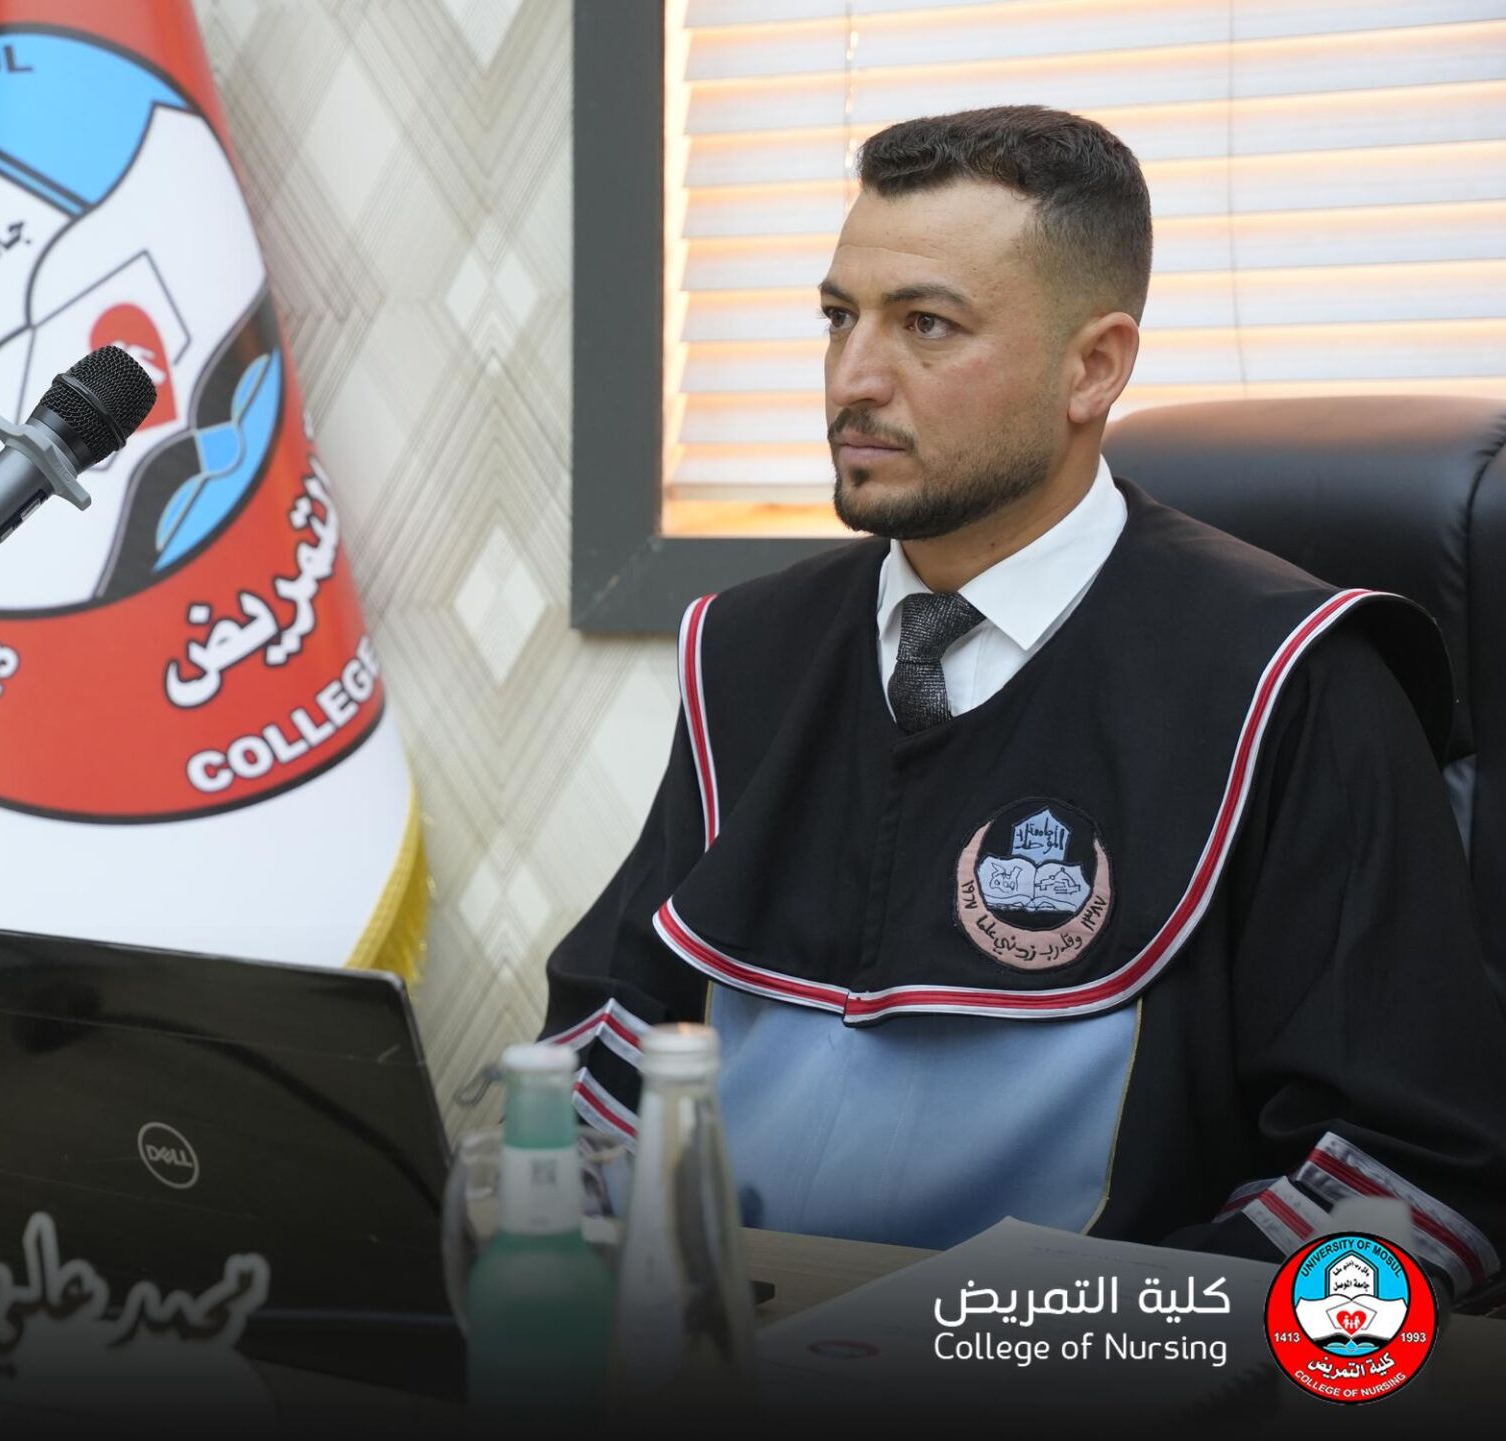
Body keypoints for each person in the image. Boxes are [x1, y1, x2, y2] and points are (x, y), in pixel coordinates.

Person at [543, 106, 1506, 1308]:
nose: (853, 378)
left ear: (1092, 367)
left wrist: (1033, 1341)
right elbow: (600, 1056)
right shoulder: (744, 652)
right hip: (728, 1342)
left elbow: (1411, 1188)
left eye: (925, 325)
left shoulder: (1294, 680)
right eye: (839, 317)